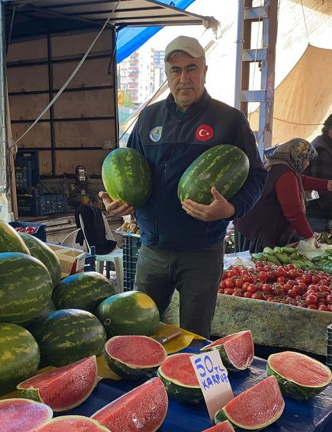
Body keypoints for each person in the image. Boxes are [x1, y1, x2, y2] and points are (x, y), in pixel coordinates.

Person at [99, 36, 266, 338]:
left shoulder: (229, 120)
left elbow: (257, 177)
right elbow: (129, 165)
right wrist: (118, 200)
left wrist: (231, 208)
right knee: (139, 331)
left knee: (194, 336)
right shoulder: (149, 117)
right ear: (167, 75)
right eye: (175, 70)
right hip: (152, 249)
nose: (183, 78)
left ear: (204, 70)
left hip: (201, 252)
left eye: (191, 69)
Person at [234, 139, 332, 252]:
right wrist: (309, 236)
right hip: (260, 229)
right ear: (297, 156)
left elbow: (301, 180)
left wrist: (325, 184)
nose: (308, 164)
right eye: (306, 159)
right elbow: (293, 211)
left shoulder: (276, 164)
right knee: (254, 265)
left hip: (250, 224)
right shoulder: (285, 173)